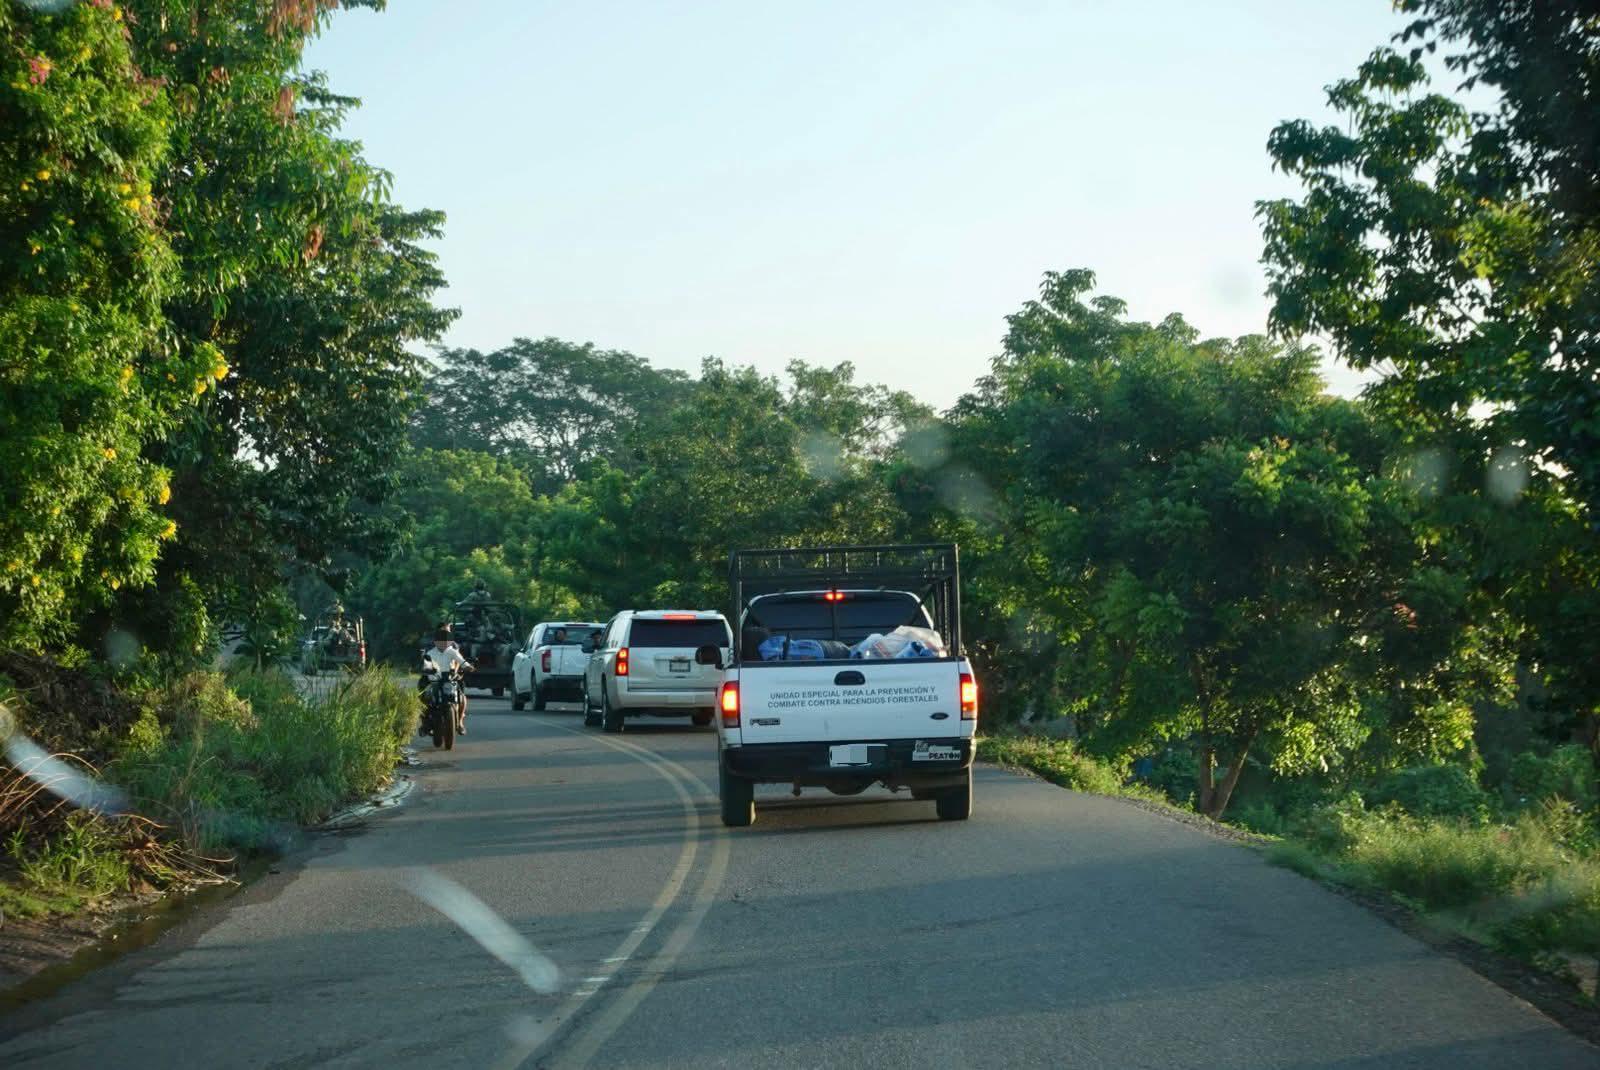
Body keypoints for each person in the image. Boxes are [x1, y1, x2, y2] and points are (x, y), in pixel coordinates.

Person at [422, 627, 474, 735]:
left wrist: (468, 667)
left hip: (450, 680)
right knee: (425, 698)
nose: (443, 643)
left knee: (462, 698)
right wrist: (427, 670)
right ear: (435, 641)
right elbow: (426, 665)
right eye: (440, 640)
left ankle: (460, 722)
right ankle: (425, 723)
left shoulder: (453, 652)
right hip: (434, 681)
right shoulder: (430, 653)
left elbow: (461, 661)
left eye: (445, 640)